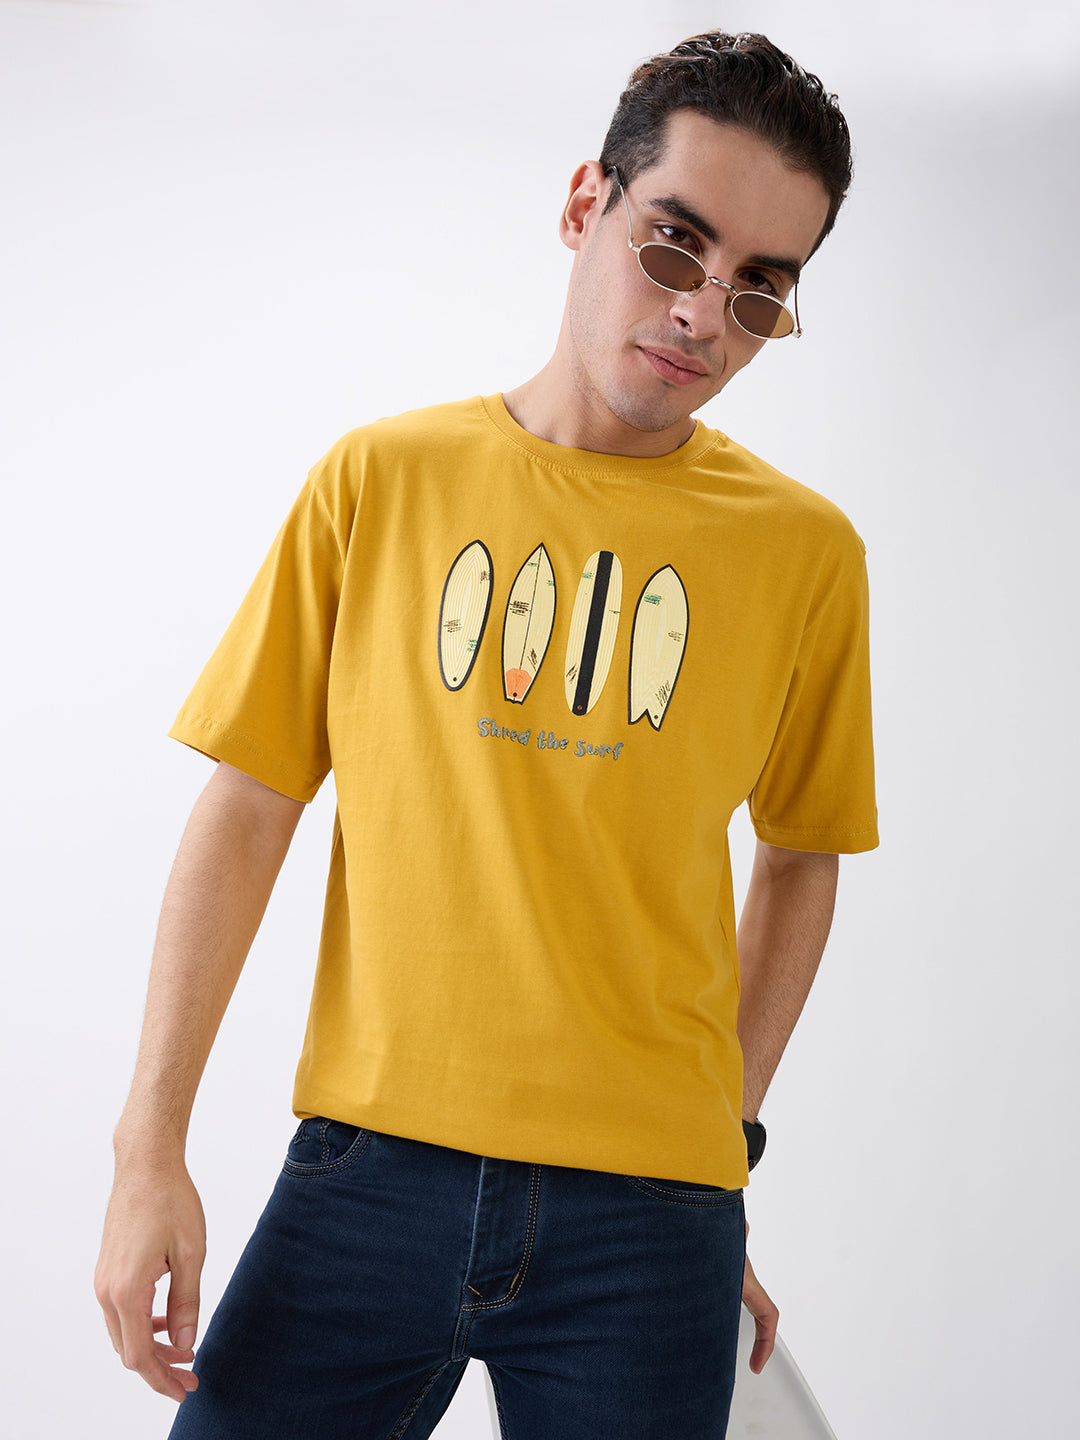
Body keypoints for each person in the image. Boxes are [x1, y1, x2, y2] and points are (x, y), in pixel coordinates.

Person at [95, 29, 877, 1440]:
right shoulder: (380, 482)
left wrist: (721, 1163)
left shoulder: (806, 555)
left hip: (652, 1221)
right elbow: (249, 805)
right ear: (586, 203)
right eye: (674, 245)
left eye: (760, 290)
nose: (703, 316)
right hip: (367, 1175)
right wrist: (148, 1147)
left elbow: (802, 858)